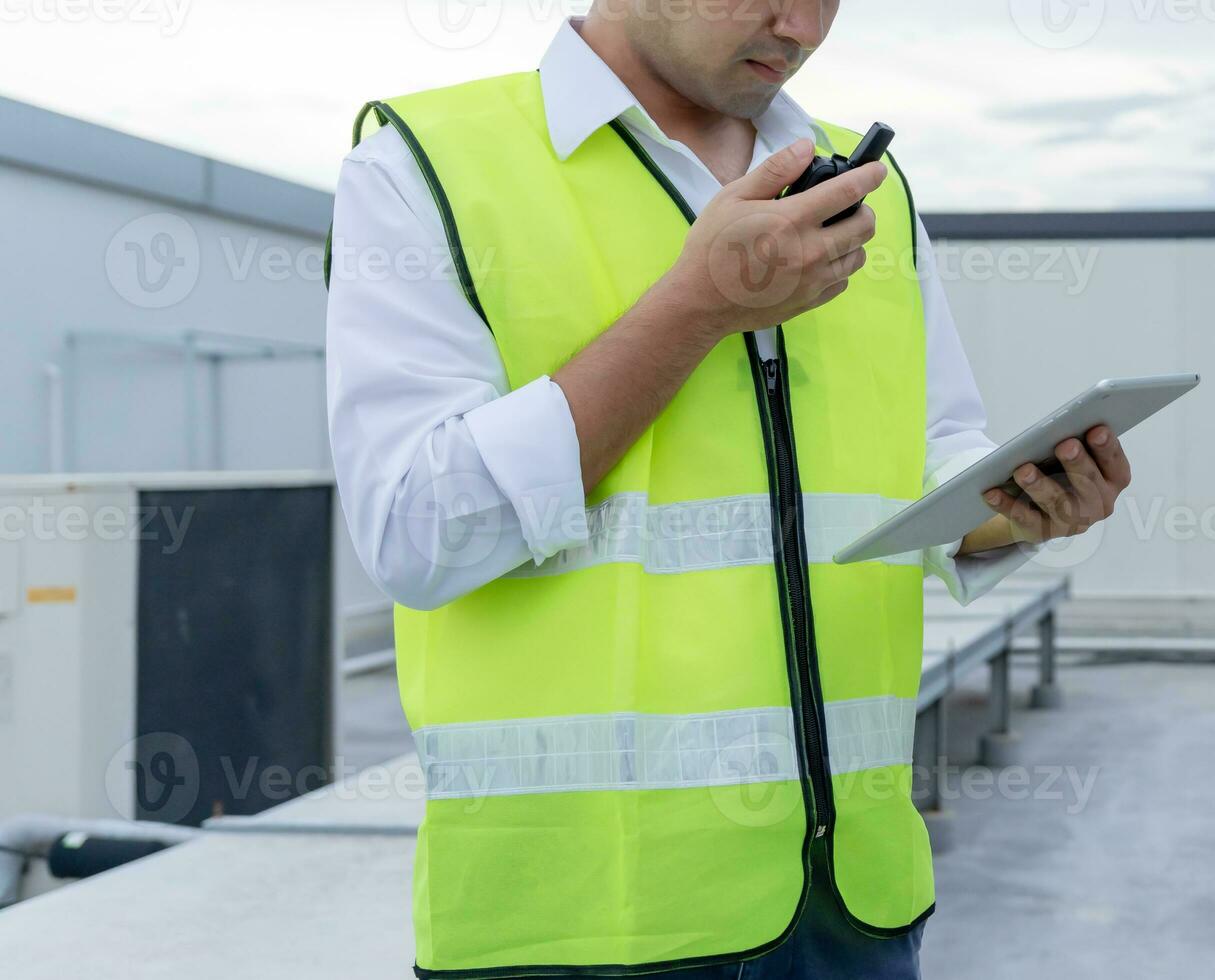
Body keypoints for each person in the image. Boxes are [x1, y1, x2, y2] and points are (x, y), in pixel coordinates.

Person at [324, 3, 1132, 976]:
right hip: (581, 927)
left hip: (854, 910)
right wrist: (696, 306)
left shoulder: (867, 185)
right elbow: (417, 529)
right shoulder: (427, 165)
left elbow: (924, 455)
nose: (798, 23)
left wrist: (1010, 515)